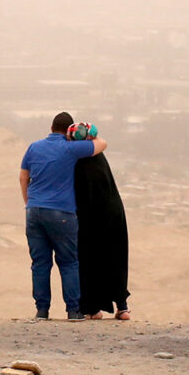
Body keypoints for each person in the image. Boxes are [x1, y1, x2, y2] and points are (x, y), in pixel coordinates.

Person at [19, 111, 106, 321]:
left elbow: (23, 177)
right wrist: (86, 133)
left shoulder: (34, 147)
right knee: (68, 262)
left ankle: (42, 310)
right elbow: (102, 143)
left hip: (34, 211)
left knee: (40, 263)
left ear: (50, 127)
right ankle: (73, 311)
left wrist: (29, 203)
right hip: (62, 213)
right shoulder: (71, 148)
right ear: (68, 131)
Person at [69, 122, 132, 320]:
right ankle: (122, 307)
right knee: (115, 259)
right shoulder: (99, 158)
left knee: (88, 261)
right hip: (113, 214)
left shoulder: (77, 161)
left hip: (89, 219)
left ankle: (92, 309)